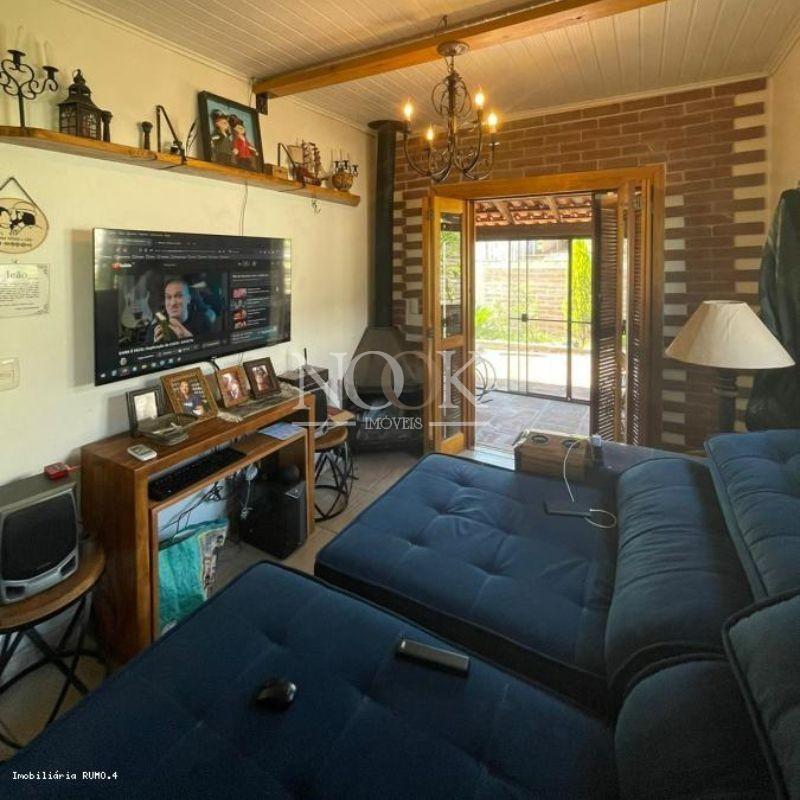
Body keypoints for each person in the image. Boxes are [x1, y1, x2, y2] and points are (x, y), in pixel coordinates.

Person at [148, 277, 216, 344]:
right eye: (168, 297)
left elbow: (212, 346)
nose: (173, 303)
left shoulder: (203, 322)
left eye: (179, 296)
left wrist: (190, 340)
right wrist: (155, 346)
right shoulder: (155, 328)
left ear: (188, 299)